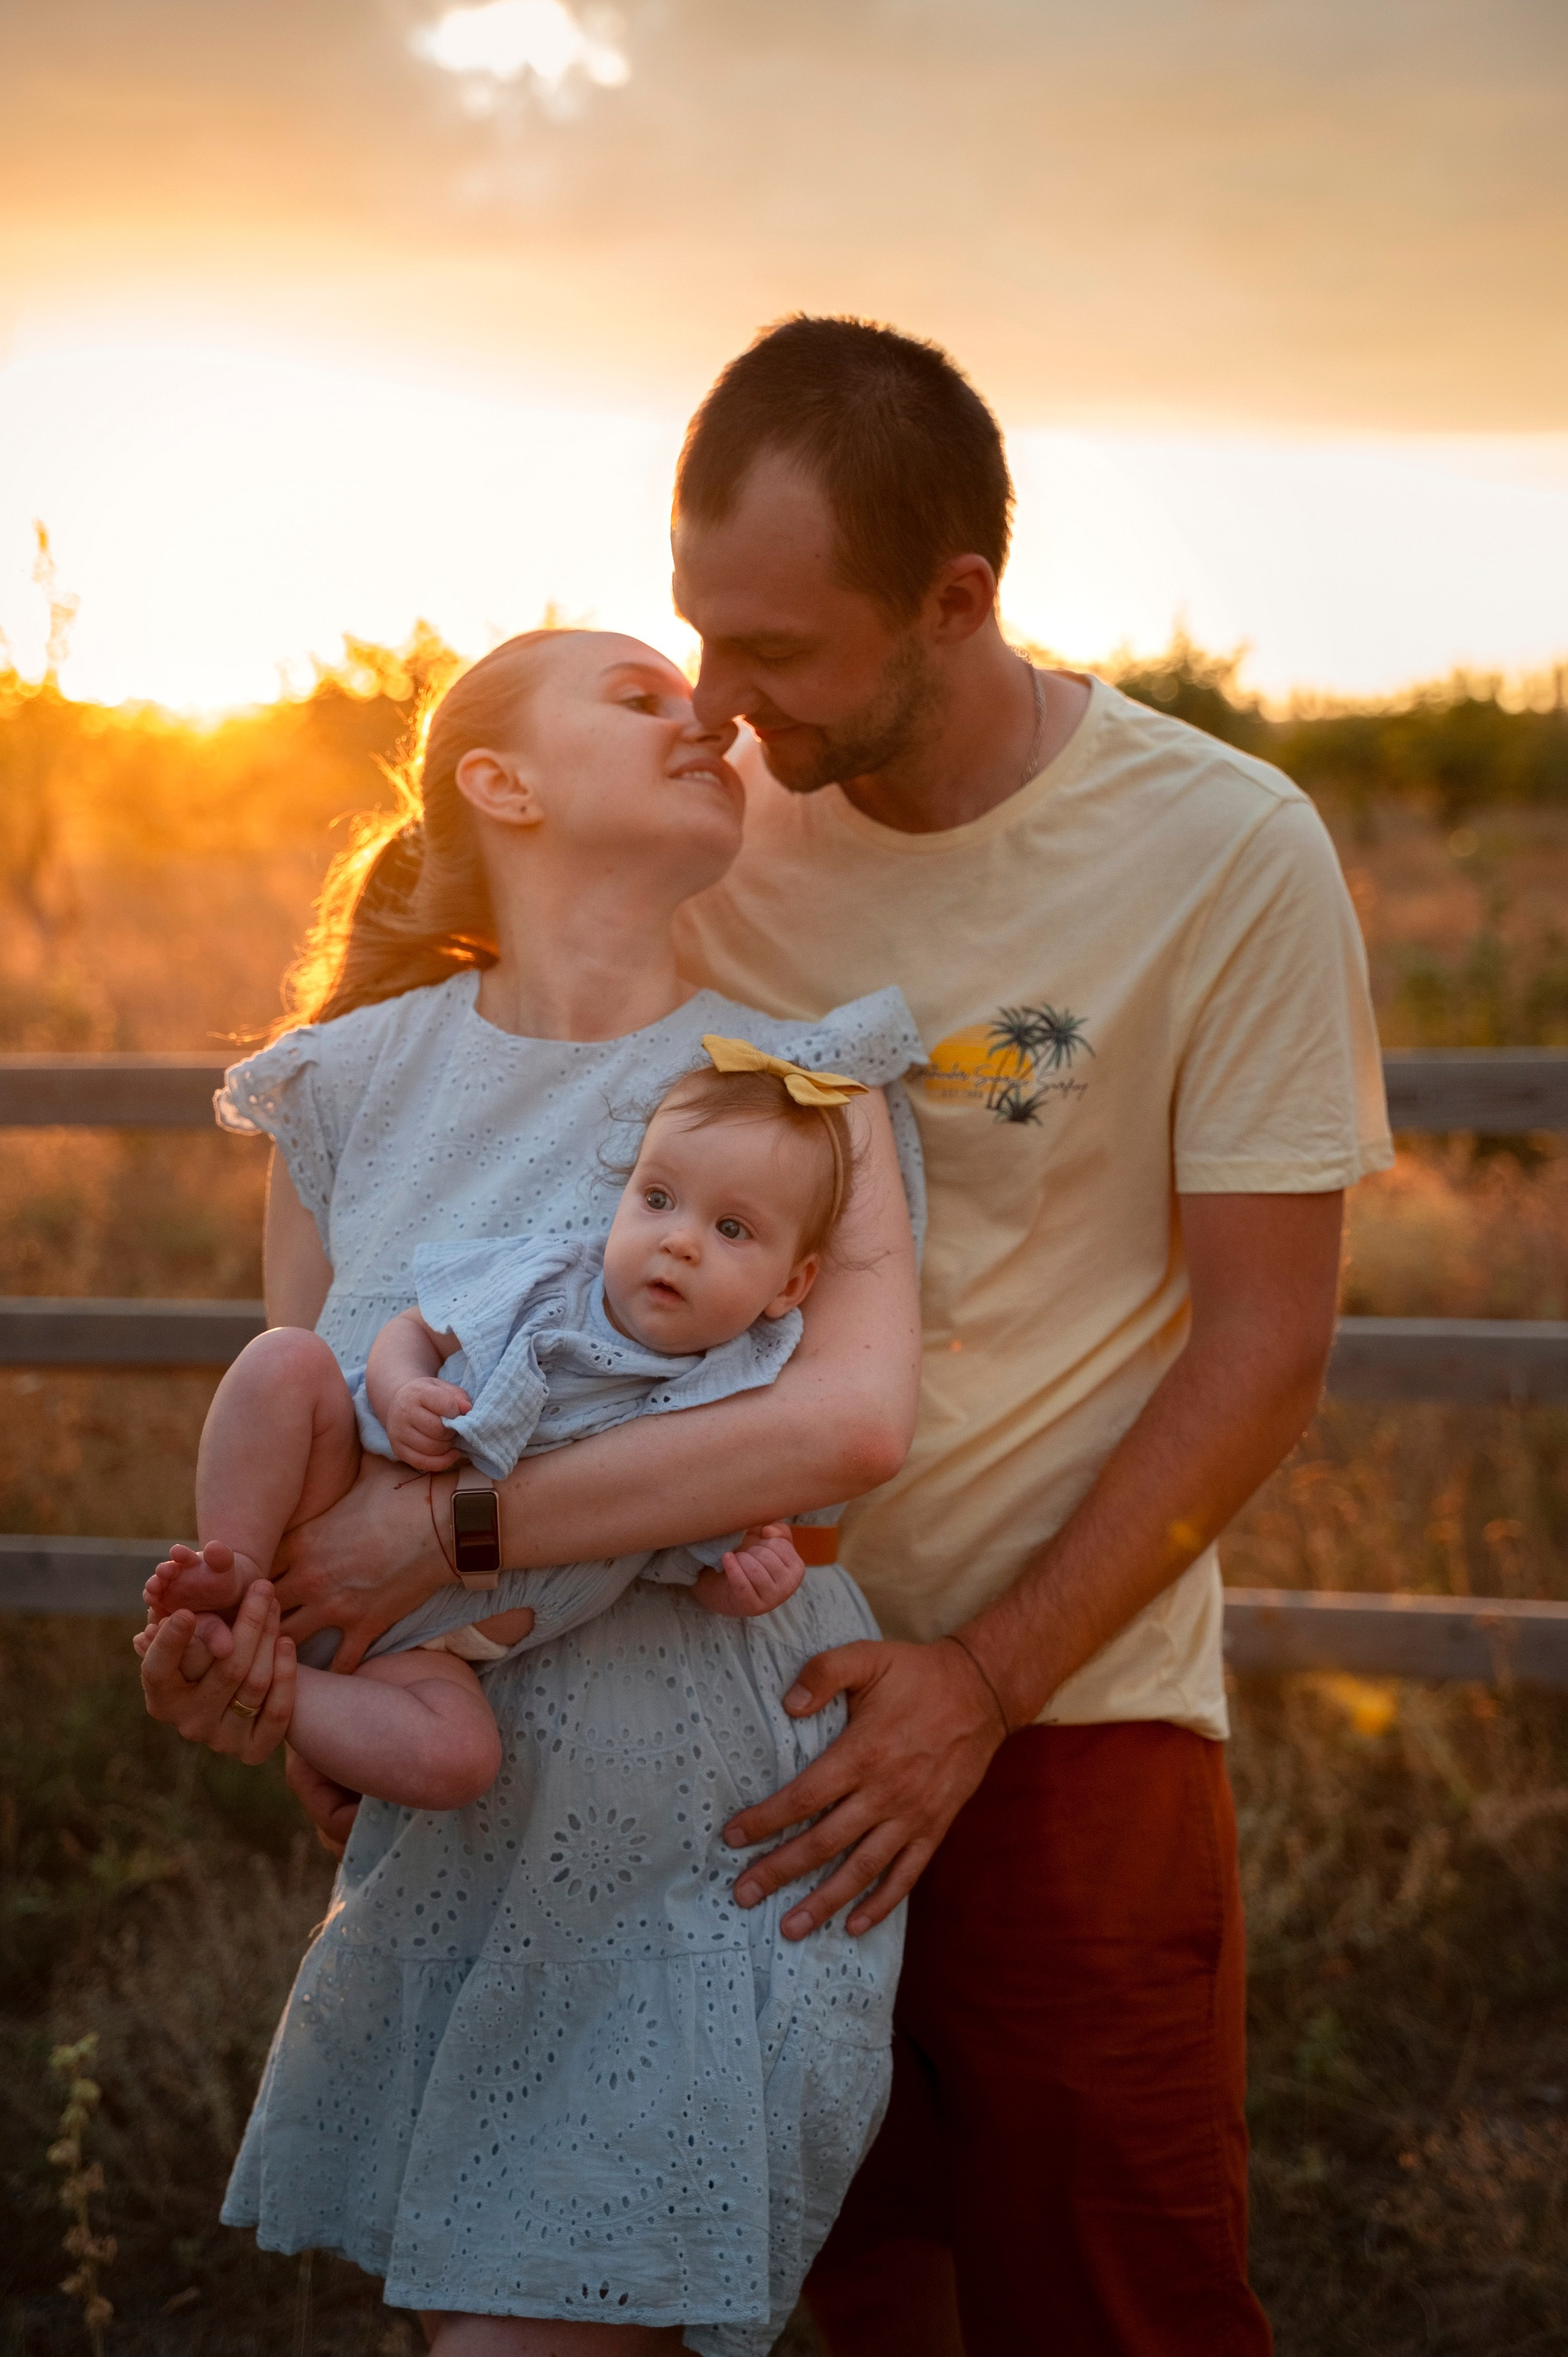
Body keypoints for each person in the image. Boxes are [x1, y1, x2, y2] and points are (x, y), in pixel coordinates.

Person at [658, 317, 1395, 2356]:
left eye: (777, 654)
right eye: (698, 632)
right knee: (859, 2276)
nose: (723, 702)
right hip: (758, 1712)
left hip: (1073, 1718)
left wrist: (978, 1682)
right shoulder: (696, 845)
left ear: (957, 599)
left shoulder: (1225, 849)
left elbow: (1264, 1347)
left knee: (1121, 2297)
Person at [140, 624, 927, 2356]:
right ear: (497, 785)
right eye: (638, 697)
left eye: (697, 697)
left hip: (712, 1836)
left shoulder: (808, 1088)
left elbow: (845, 1434)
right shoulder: (340, 1090)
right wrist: (262, 1678)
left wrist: (448, 1530)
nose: (702, 712)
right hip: (455, 1824)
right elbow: (301, 1457)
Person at [138, 1046, 878, 1811]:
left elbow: (694, 1566)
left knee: (460, 1759)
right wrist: (401, 1391)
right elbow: (415, 1329)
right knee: (286, 1361)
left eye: (730, 1227)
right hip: (348, 1479)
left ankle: (273, 1682)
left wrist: (750, 1579)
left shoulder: (734, 1398)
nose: (679, 1240)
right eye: (657, 1199)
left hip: (432, 1653)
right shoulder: (552, 1279)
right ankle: (235, 1565)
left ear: (789, 1284)